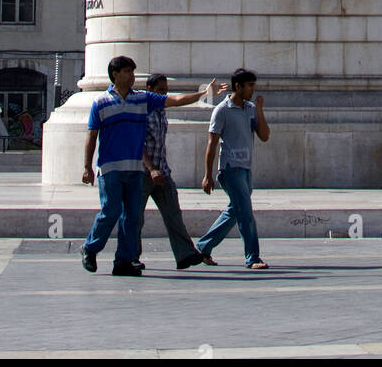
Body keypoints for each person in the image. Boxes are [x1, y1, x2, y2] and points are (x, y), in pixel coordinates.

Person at [81, 56, 212, 276]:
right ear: (115, 74)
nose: (133, 77)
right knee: (111, 211)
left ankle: (123, 261)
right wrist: (87, 167)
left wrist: (203, 94)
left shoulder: (142, 99)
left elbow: (176, 100)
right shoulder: (101, 102)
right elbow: (91, 136)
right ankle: (90, 247)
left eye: (133, 72)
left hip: (134, 169)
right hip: (110, 168)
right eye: (128, 72)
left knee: (132, 217)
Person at [138, 72, 227, 271]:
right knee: (136, 218)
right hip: (143, 173)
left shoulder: (160, 110)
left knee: (173, 214)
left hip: (162, 171)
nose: (165, 94)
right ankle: (132, 257)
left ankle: (184, 254)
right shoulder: (141, 110)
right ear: (150, 90)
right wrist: (151, 169)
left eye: (166, 90)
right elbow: (137, 145)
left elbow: (177, 101)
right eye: (161, 91)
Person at [196, 68, 270, 270]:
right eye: (250, 86)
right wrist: (207, 175)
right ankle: (252, 257)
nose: (252, 90)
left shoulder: (250, 109)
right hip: (230, 169)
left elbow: (264, 136)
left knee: (235, 212)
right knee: (245, 213)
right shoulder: (222, 110)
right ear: (238, 86)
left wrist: (260, 111)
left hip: (245, 168)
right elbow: (212, 143)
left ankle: (203, 247)